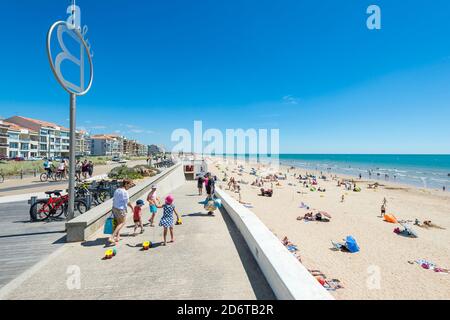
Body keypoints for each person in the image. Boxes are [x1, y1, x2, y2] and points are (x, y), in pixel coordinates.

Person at [109, 179, 134, 245]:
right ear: (125, 184)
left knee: (118, 223)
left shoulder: (117, 190)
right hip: (121, 209)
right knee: (122, 222)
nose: (130, 186)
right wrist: (132, 208)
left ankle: (117, 237)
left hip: (114, 208)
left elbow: (114, 199)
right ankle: (112, 237)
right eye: (129, 185)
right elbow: (128, 202)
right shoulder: (125, 192)